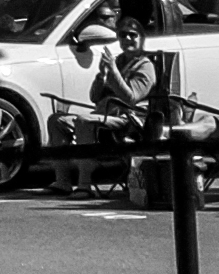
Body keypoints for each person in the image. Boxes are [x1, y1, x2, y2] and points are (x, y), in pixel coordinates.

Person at [52, 16, 161, 195]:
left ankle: (84, 185)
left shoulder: (145, 66)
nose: (127, 39)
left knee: (83, 120)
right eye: (123, 35)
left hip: (128, 121)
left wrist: (114, 72)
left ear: (141, 38)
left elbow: (131, 97)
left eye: (132, 35)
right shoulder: (117, 61)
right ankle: (62, 181)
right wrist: (101, 76)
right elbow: (94, 97)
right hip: (104, 115)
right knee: (57, 120)